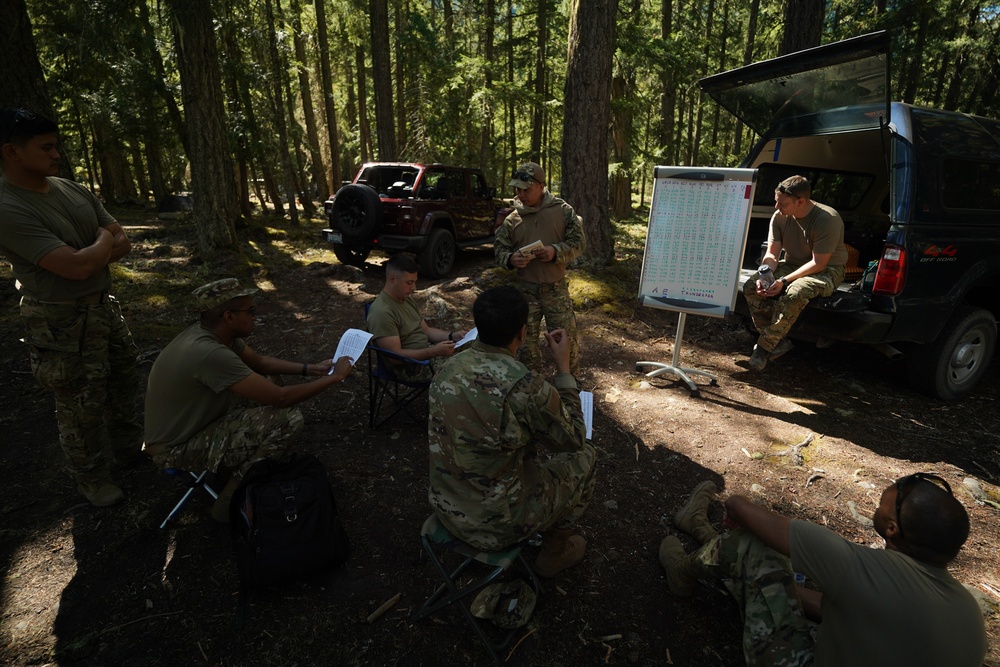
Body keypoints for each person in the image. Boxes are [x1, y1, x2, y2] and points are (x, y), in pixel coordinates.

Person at [659, 475, 987, 666]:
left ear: (892, 529)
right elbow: (860, 618)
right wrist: (788, 590)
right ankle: (702, 532)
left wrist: (736, 506)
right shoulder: (969, 614)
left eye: (888, 500)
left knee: (758, 548)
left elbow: (743, 510)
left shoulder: (861, 568)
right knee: (778, 577)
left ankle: (681, 571)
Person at [0, 107, 142, 507]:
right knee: (80, 400)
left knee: (122, 377)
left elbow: (124, 241)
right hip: (59, 320)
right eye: (46, 148)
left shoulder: (71, 189)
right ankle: (92, 479)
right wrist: (100, 241)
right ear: (12, 152)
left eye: (56, 146)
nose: (56, 155)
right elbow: (78, 266)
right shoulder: (8, 207)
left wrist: (95, 250)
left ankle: (130, 451)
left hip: (102, 307)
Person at [143, 278, 354, 523]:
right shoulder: (210, 353)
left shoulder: (216, 334)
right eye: (250, 311)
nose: (256, 316)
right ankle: (232, 501)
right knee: (286, 421)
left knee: (268, 378)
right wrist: (334, 378)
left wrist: (312, 369)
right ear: (229, 317)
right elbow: (281, 398)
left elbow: (260, 363)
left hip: (195, 423)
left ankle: (231, 468)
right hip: (176, 447)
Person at [428, 285, 596, 578]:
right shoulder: (525, 387)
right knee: (587, 458)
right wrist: (564, 370)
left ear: (478, 327)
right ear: (522, 333)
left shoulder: (446, 367)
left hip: (446, 508)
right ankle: (553, 554)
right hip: (496, 526)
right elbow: (574, 441)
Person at [741, 175, 848, 371]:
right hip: (792, 264)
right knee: (750, 286)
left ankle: (764, 349)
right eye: (776, 201)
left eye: (782, 203)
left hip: (827, 270)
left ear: (801, 201)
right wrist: (766, 275)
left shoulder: (827, 219)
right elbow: (772, 253)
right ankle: (777, 341)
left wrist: (782, 281)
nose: (776, 207)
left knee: (795, 291)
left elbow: (819, 263)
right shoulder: (780, 216)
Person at [495, 162, 585, 375]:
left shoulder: (563, 211)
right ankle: (531, 388)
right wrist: (510, 259)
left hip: (556, 291)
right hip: (526, 292)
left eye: (525, 189)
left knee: (566, 342)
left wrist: (555, 251)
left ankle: (570, 387)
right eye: (517, 189)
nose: (520, 194)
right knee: (524, 346)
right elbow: (499, 251)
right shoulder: (512, 219)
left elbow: (579, 243)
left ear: (541, 186)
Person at [366, 253, 467, 382]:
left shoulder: (405, 299)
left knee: (474, 351)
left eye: (414, 282)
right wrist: (433, 352)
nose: (414, 288)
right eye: (409, 282)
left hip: (427, 353)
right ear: (392, 279)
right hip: (411, 367)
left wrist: (452, 336)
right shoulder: (382, 312)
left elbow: (426, 331)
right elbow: (395, 357)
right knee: (465, 370)